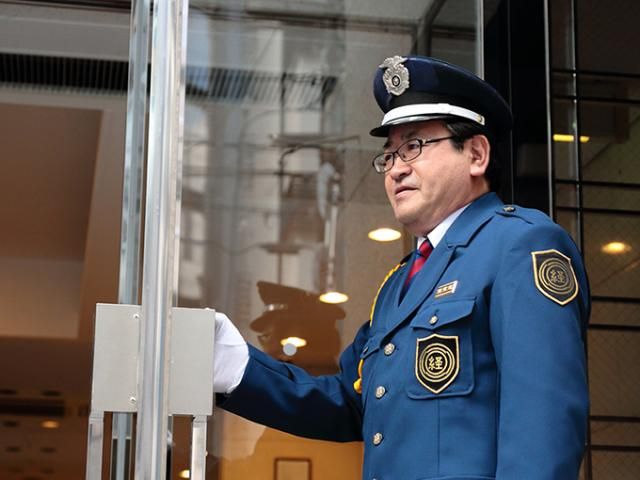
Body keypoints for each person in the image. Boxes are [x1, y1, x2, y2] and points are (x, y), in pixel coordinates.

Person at [212, 55, 590, 479]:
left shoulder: (520, 245)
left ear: (476, 154)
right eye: (389, 155)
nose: (396, 169)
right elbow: (349, 401)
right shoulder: (400, 283)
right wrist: (236, 366)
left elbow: (543, 426)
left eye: (413, 146)